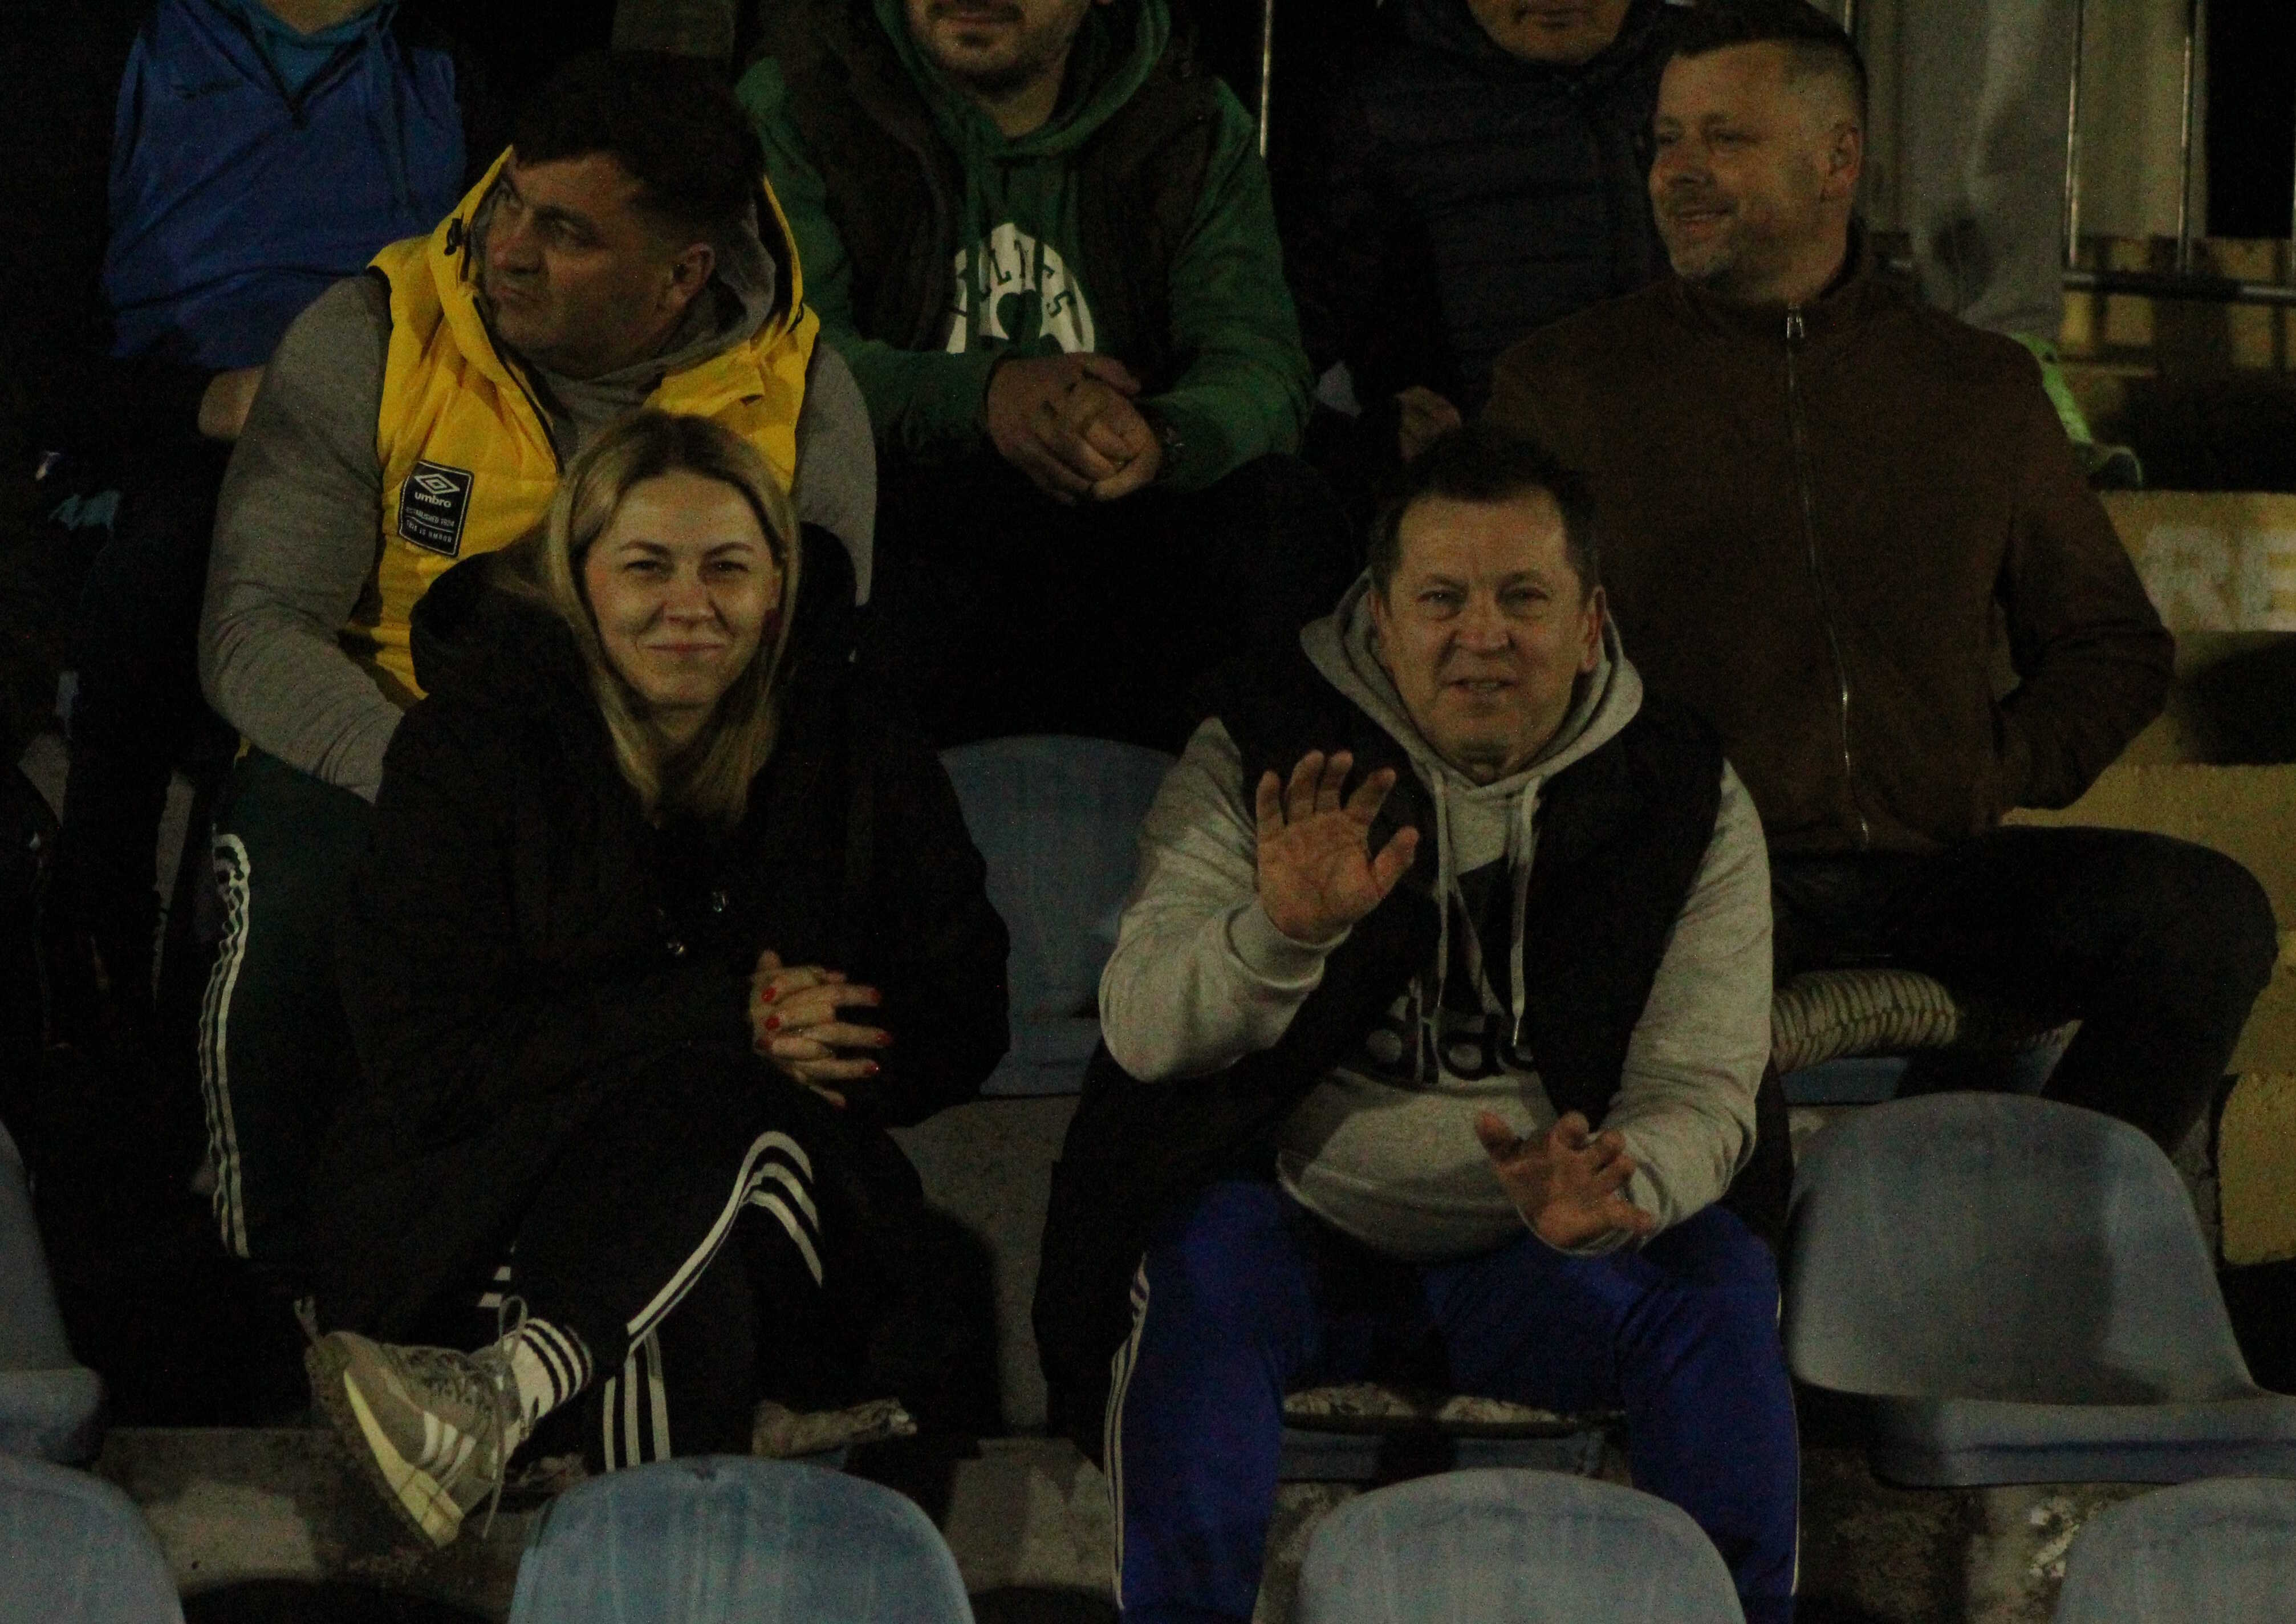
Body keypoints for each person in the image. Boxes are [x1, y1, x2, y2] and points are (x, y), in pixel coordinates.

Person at [1034, 425, 1798, 1624]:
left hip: (1544, 1251)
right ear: (1381, 618)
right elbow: (1143, 1027)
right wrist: (1279, 931)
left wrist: (1623, 1181)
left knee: (1717, 1289)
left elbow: (1705, 1079)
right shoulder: (1264, 741)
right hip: (1299, 1226)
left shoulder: (1683, 785)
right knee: (1196, 1269)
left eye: (1523, 598)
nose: (1480, 636)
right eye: (1440, 599)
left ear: (1589, 623)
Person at [1486, 0, 2274, 1155]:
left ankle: (2058, 1208)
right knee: (1635, 987)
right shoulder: (1567, 387)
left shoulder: (1974, 386)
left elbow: (2111, 644)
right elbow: (1490, 653)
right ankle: (1727, 1248)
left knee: (2205, 917)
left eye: (1724, 138)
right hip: (1695, 874)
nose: (1678, 172)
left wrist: (1993, 765)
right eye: (1664, 140)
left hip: (1932, 868)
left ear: (1837, 159)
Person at [196, 51, 879, 1272]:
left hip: (667, 771)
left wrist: (624, 795)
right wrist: (447, 784)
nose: (505, 250)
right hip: (389, 744)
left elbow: (807, 661)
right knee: (292, 891)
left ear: (683, 275)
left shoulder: (801, 398)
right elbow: (255, 629)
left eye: (565, 233)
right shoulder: (377, 333)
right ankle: (266, 1288)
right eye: (509, 200)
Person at [304, 409, 1007, 1547]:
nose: (690, 603)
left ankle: (503, 1393)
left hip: (790, 1207)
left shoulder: (855, 740)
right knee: (686, 1281)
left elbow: (966, 1010)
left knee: (722, 1109)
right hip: (487, 1212)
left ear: (776, 590)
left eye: (727, 566)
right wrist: (724, 1014)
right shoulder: (467, 748)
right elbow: (425, 1064)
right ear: (578, 582)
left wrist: (834, 1032)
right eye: (646, 566)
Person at [18, 0, 499, 1057]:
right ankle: (101, 918)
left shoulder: (447, 71)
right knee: (187, 553)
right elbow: (32, 352)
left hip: (390, 431)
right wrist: (207, 400)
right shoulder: (113, 50)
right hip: (169, 436)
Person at [741, 0, 1350, 746]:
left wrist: (1161, 437)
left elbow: (1257, 360)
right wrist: (986, 395)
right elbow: (782, 360)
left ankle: (1232, 814)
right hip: (901, 522)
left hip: (1122, 518)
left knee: (1286, 517)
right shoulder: (804, 102)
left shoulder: (1184, 119)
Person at [1286, 0, 1690, 467]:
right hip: (1475, 486)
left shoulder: (1709, 65)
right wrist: (1374, 442)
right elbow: (1282, 342)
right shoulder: (1374, 95)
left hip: (1692, 466)